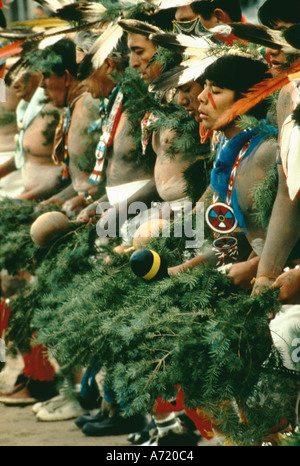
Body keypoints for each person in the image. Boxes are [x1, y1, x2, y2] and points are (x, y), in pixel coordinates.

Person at [167, 54, 278, 277]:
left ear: (248, 98)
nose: (200, 97)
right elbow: (238, 243)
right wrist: (180, 271)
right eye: (204, 87)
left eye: (215, 91)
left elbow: (287, 235)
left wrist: (261, 272)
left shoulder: (267, 152)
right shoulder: (231, 152)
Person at [37, 38, 101, 217]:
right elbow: (81, 183)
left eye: (46, 75)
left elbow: (112, 174)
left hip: (101, 212)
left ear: (66, 77)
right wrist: (55, 200)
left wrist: (86, 200)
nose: (41, 83)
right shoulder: (74, 108)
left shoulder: (91, 106)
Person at [0, 70, 63, 201]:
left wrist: (24, 198)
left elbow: (70, 173)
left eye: (20, 73)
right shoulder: (26, 109)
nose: (14, 83)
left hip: (49, 200)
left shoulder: (57, 108)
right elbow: (23, 155)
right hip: (24, 194)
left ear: (38, 72)